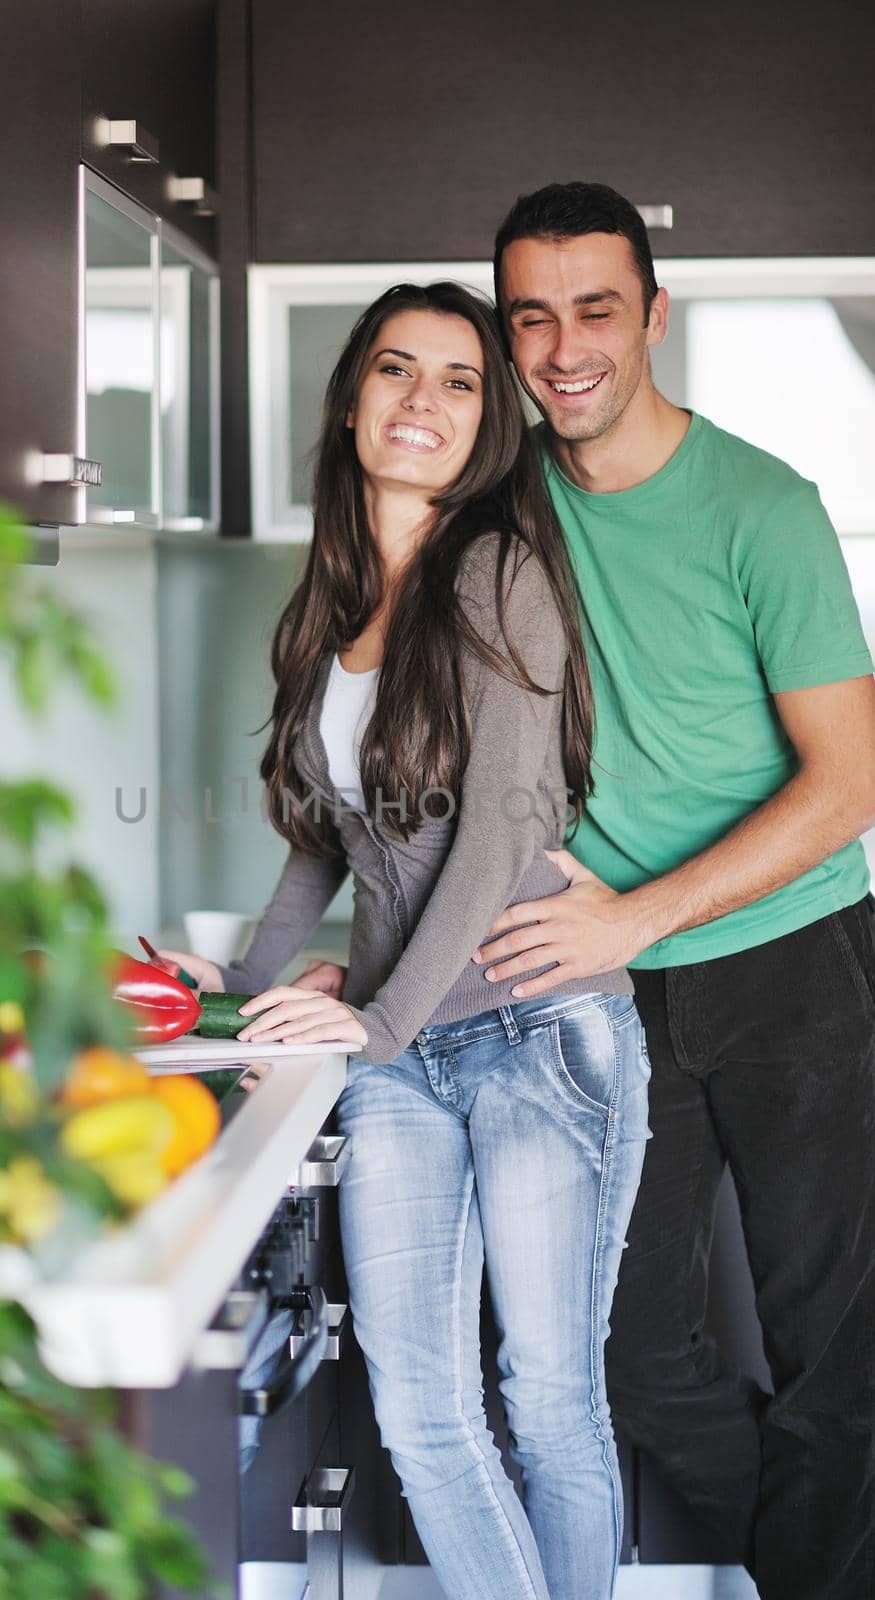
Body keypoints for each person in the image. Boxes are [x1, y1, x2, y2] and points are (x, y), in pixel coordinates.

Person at [159, 280, 650, 1600]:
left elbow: (490, 844)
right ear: (354, 399)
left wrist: (373, 1019)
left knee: (548, 1407)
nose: (420, 400)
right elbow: (324, 832)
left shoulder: (499, 574)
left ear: (488, 424)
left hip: (540, 1030)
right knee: (422, 1419)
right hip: (402, 1055)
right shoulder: (335, 606)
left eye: (457, 379)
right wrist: (235, 987)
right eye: (394, 369)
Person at [471, 181, 875, 1600]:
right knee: (626, 1351)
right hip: (606, 984)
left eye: (595, 310)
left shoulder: (765, 508)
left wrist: (637, 915)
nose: (565, 347)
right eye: (533, 317)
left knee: (838, 1343)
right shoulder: (500, 506)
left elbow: (850, 783)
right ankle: (812, 1553)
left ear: (653, 316)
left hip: (798, 960)